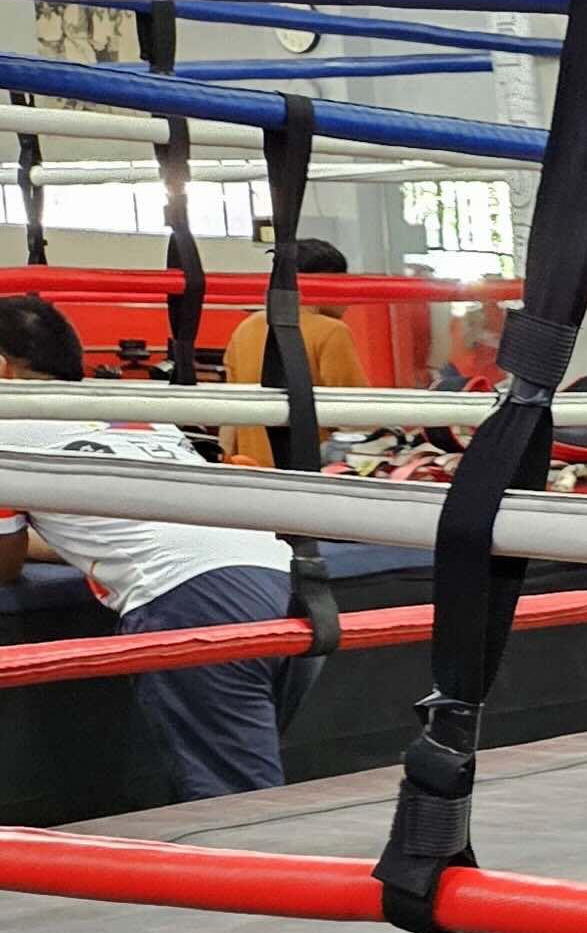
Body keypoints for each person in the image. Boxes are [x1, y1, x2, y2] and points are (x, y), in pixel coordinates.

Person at [0, 295, 293, 798]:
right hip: (285, 581)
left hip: (196, 603)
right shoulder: (133, 411)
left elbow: (4, 565)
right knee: (247, 783)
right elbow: (114, 525)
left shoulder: (7, 425)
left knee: (236, 801)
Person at [220, 235, 367, 468]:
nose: (348, 297)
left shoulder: (246, 328)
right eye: (341, 285)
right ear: (322, 284)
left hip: (252, 470)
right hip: (312, 472)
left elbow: (229, 415)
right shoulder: (331, 332)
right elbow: (357, 417)